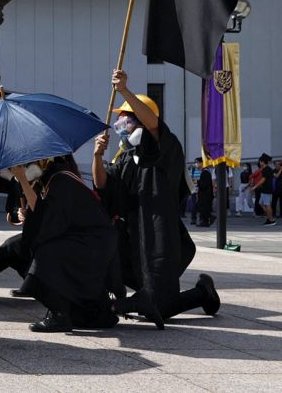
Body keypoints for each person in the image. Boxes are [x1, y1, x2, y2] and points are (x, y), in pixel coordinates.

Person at [93, 70, 220, 328]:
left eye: (126, 120)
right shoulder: (127, 157)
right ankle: (202, 292)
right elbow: (103, 183)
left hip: (160, 233)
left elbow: (152, 124)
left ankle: (200, 293)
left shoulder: (165, 146)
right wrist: (96, 156)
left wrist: (125, 91)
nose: (121, 127)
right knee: (159, 302)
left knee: (157, 301)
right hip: (135, 234)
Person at [10, 156, 119, 332]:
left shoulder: (61, 179)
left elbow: (48, 221)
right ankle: (87, 312)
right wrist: (27, 214)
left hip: (93, 243)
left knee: (47, 254)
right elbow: (44, 214)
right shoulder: (52, 180)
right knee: (39, 249)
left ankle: (58, 314)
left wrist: (22, 179)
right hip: (88, 239)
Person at [0, 168, 34, 297]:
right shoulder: (20, 179)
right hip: (35, 227)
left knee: (12, 248)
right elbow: (18, 207)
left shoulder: (46, 175)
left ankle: (32, 285)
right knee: (7, 251)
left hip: (49, 231)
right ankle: (31, 283)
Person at [251, 154, 275, 225]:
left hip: (266, 189)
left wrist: (254, 187)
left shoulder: (266, 170)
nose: (259, 163)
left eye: (260, 161)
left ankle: (271, 220)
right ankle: (269, 217)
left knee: (267, 204)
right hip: (265, 189)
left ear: (262, 162)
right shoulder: (267, 169)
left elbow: (263, 180)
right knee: (261, 203)